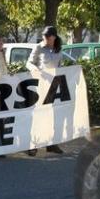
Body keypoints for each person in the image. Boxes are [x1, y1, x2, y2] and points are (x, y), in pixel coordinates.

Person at [25, 26, 64, 155]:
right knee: (37, 116)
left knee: (51, 116)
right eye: (44, 36)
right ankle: (33, 145)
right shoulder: (38, 47)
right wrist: (34, 69)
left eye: (48, 36)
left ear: (54, 37)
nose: (45, 39)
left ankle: (51, 144)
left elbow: (60, 66)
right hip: (40, 86)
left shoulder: (59, 49)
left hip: (53, 86)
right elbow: (29, 63)